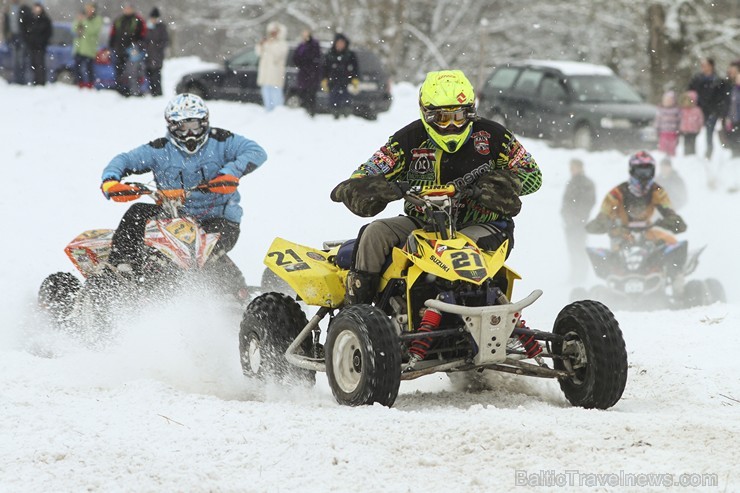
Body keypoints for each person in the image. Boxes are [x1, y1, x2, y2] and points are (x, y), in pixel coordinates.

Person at [330, 70, 542, 305]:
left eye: (459, 116)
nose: (451, 125)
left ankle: (474, 308)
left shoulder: (494, 136)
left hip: (483, 225)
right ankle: (358, 311)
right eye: (442, 118)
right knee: (374, 233)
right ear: (426, 114)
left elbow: (532, 175)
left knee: (457, 249)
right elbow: (365, 172)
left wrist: (496, 185)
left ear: (471, 112)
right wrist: (377, 188)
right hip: (425, 223)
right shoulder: (408, 140)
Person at [100, 93, 268, 298]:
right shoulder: (159, 149)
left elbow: (256, 152)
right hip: (171, 219)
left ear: (205, 123)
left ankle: (229, 297)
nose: (190, 134)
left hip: (219, 220)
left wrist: (230, 173)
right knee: (137, 212)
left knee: (203, 255)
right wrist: (111, 179)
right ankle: (121, 268)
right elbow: (124, 159)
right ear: (171, 126)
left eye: (194, 126)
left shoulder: (222, 141)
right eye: (182, 127)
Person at [586, 151, 687, 291]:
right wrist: (603, 222)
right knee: (613, 260)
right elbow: (604, 213)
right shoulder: (617, 193)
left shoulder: (657, 191)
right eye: (640, 171)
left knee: (673, 244)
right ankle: (614, 285)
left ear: (653, 172)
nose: (644, 176)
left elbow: (668, 210)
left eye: (648, 171)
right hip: (622, 233)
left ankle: (677, 283)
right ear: (632, 171)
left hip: (647, 231)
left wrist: (672, 221)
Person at [560, 158, 595, 283]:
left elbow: (588, 203)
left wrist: (577, 217)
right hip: (570, 224)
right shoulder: (572, 182)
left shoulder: (586, 183)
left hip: (580, 224)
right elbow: (566, 201)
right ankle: (574, 275)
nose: (571, 169)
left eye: (573, 167)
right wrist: (565, 215)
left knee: (579, 250)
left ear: (580, 167)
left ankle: (581, 277)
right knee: (572, 250)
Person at [688, 58, 725, 159]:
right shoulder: (697, 79)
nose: (703, 67)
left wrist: (718, 110)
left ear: (711, 66)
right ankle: (691, 153)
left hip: (712, 111)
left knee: (709, 132)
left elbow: (721, 97)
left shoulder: (718, 80)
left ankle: (709, 152)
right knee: (693, 131)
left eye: (705, 65)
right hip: (698, 111)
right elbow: (690, 93)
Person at [109, 3, 146, 97]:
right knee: (119, 71)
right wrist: (111, 47)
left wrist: (138, 45)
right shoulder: (119, 20)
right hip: (119, 50)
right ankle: (121, 91)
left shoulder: (138, 20)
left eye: (129, 8)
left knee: (132, 72)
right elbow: (112, 34)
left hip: (132, 51)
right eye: (126, 8)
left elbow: (143, 35)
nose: (127, 10)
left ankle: (134, 91)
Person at [322, 33, 359, 119]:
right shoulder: (329, 54)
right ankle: (335, 115)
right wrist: (324, 80)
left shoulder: (350, 55)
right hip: (333, 83)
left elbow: (355, 69)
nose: (340, 45)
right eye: (338, 43)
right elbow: (324, 69)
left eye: (342, 43)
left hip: (347, 83)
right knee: (334, 100)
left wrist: (355, 79)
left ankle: (346, 115)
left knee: (346, 101)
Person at [255, 21, 288, 111]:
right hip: (265, 75)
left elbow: (278, 55)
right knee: (266, 93)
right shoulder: (266, 43)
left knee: (276, 94)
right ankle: (268, 110)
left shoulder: (282, 44)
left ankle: (277, 111)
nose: (273, 34)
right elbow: (258, 53)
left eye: (275, 32)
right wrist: (261, 45)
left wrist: (269, 46)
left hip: (275, 74)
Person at [72, 3, 103, 89]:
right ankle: (80, 84)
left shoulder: (97, 19)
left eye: (90, 8)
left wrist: (84, 21)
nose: (88, 10)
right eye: (87, 8)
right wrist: (79, 21)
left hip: (89, 48)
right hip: (79, 48)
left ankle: (90, 84)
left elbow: (92, 31)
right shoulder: (81, 17)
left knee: (89, 68)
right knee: (77, 67)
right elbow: (73, 28)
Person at [292, 29, 322, 116]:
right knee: (302, 95)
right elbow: (296, 59)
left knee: (311, 96)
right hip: (303, 76)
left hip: (312, 76)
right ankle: (303, 113)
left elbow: (313, 58)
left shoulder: (314, 45)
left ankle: (310, 113)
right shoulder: (301, 46)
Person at [23, 2, 51, 86]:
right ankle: (35, 81)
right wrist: (29, 40)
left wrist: (42, 42)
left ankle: (41, 82)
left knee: (40, 64)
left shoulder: (45, 19)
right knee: (33, 64)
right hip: (32, 46)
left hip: (40, 46)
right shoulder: (31, 19)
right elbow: (26, 31)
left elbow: (48, 33)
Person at [2, 0, 30, 84]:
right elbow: (6, 26)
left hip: (21, 37)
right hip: (13, 37)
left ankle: (22, 80)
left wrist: (25, 35)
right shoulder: (8, 10)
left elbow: (26, 24)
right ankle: (16, 79)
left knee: (21, 59)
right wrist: (7, 36)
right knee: (15, 60)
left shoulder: (23, 9)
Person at [144, 7, 168, 97]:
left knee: (156, 75)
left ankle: (158, 93)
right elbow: (144, 40)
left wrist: (157, 47)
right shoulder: (148, 27)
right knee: (148, 74)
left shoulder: (161, 27)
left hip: (157, 55)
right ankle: (151, 92)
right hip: (148, 55)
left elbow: (165, 41)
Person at [722, 70, 740, 192]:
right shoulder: (733, 90)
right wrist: (727, 117)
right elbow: (729, 105)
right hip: (734, 119)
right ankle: (735, 154)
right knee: (733, 139)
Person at [655, 90, 681, 157]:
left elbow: (679, 121)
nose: (668, 102)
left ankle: (671, 159)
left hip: (673, 133)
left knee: (672, 148)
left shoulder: (676, 110)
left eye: (670, 100)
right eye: (666, 100)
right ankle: (663, 159)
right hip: (663, 132)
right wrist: (657, 129)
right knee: (663, 148)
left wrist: (679, 130)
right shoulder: (660, 110)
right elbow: (657, 121)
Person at [679, 90, 703, 156]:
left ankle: (692, 156)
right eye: (685, 100)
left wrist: (699, 128)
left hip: (693, 131)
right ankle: (686, 155)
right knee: (686, 144)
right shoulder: (682, 110)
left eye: (688, 100)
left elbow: (700, 120)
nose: (686, 102)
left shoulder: (697, 110)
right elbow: (679, 119)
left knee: (692, 144)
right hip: (684, 130)